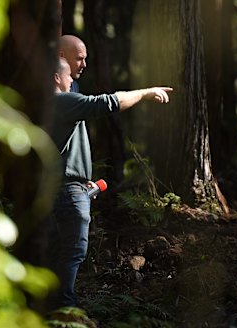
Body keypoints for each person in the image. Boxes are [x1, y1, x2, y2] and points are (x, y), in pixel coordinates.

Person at [46, 58, 173, 309]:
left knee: (60, 252)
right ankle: (66, 312)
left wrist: (81, 180)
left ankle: (52, 310)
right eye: (69, 75)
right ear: (55, 78)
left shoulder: (46, 105)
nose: (73, 80)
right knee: (72, 252)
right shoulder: (60, 101)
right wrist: (146, 92)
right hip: (68, 192)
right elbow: (108, 103)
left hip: (65, 188)